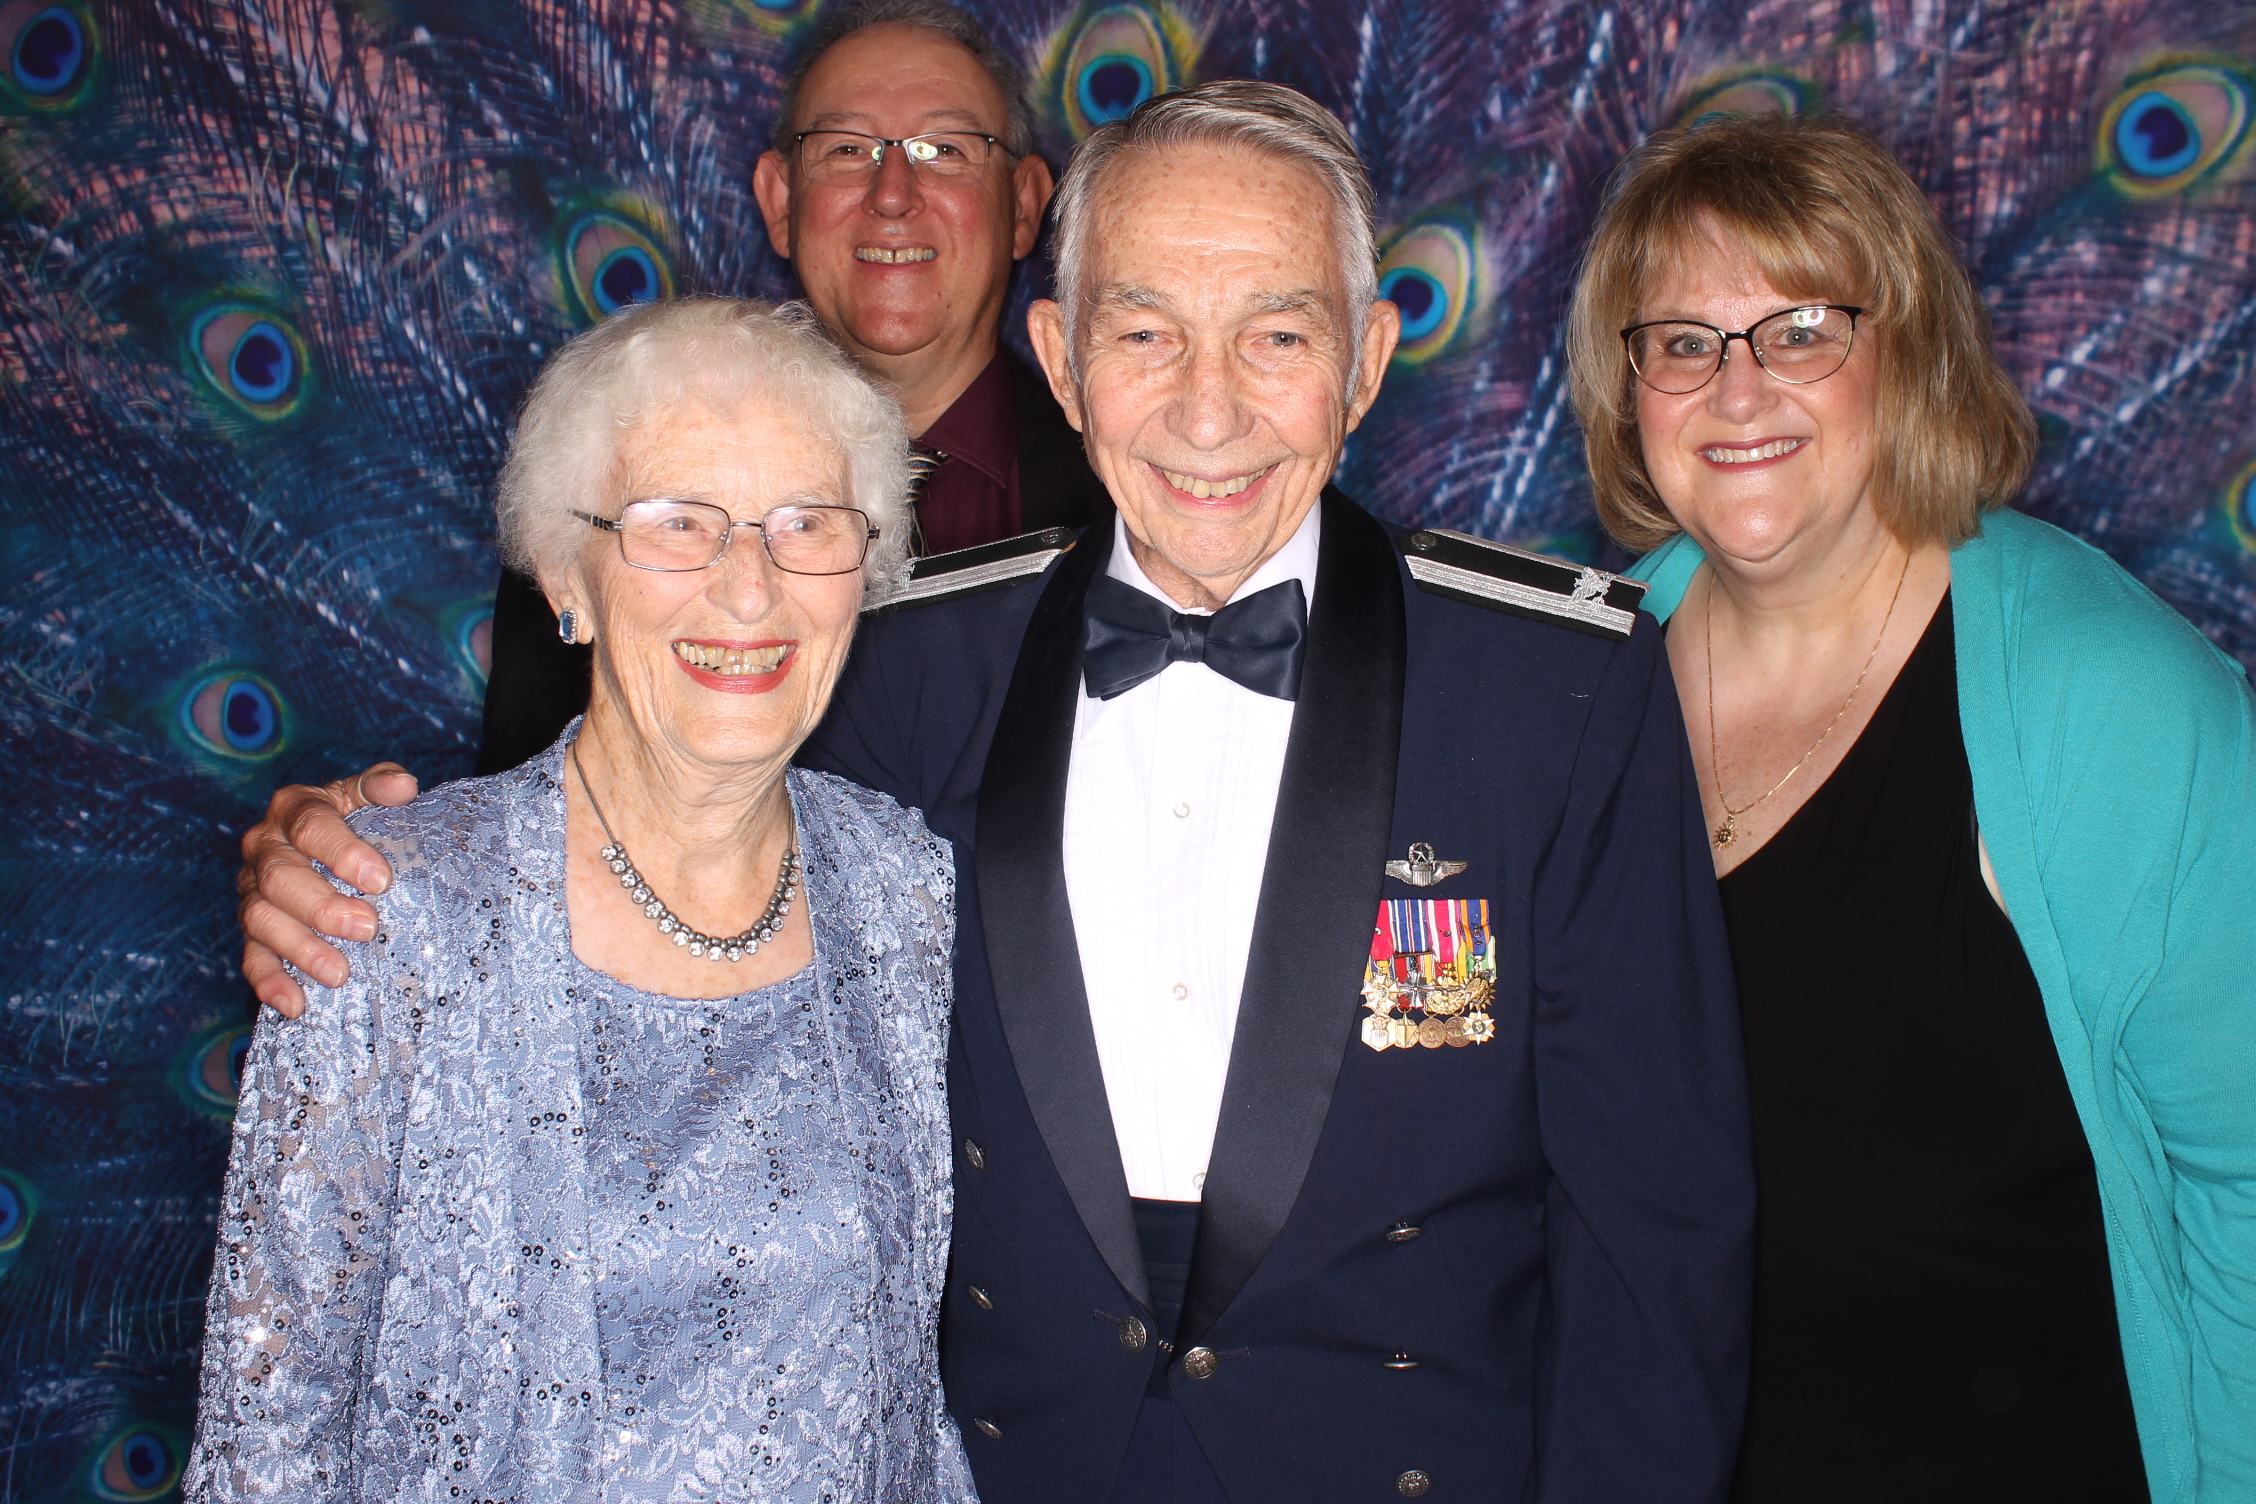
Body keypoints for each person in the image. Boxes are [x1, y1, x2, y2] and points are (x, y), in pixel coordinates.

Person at [237, 83, 1755, 1503]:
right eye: (1145, 333)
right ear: (1059, 357)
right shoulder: (894, 668)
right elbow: (639, 853)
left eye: (1277, 337)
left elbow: (1656, 1246)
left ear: (1364, 360)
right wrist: (340, 863)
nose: (1206, 413)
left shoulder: (1559, 695)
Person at [1565, 111, 2256, 1503]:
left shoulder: (2107, 701)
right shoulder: (1574, 689)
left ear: (1912, 353)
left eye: (1803, 328)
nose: (1736, 389)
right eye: (1683, 342)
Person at [187, 298, 972, 1503]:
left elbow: (911, 1402)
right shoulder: (391, 915)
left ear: (861, 570)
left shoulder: (905, 890)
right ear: (567, 571)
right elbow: (269, 1431)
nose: (749, 590)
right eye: (677, 524)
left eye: (804, 524)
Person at [479, 0, 1109, 773]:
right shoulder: (600, 480)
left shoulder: (1135, 490)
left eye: (945, 148)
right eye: (846, 149)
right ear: (780, 202)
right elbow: (518, 810)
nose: (892, 193)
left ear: (1023, 204)